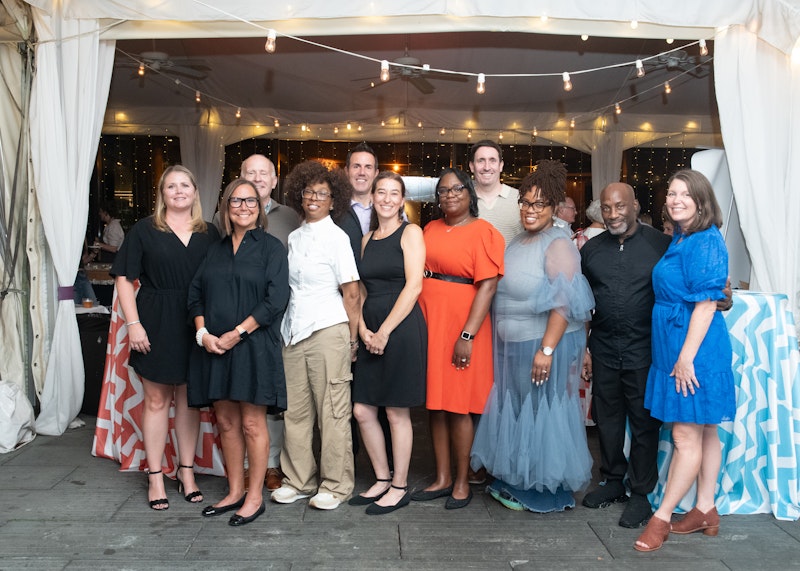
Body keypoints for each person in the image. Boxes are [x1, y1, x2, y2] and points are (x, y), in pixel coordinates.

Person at [471, 160, 595, 512]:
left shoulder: (558, 244)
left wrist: (546, 349)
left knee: (543, 414)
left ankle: (544, 488)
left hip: (542, 346)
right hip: (514, 346)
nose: (529, 210)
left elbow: (564, 305)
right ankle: (521, 478)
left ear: (555, 207)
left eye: (539, 204)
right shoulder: (520, 240)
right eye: (525, 202)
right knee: (522, 411)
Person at [634, 169, 735, 552]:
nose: (675, 199)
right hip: (673, 344)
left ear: (701, 201)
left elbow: (708, 303)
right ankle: (705, 508)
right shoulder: (681, 238)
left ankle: (660, 519)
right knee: (706, 429)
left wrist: (686, 358)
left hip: (694, 350)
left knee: (684, 435)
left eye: (684, 194)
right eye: (671, 194)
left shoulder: (706, 241)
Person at [112, 165, 219, 510]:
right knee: (157, 401)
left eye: (184, 185)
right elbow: (124, 280)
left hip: (196, 322)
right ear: (162, 194)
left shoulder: (209, 232)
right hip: (155, 319)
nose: (178, 191)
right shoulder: (145, 229)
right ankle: (156, 475)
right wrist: (133, 324)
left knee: (189, 401)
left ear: (194, 192)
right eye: (170, 186)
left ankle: (186, 472)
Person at [188, 178, 289, 527]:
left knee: (251, 422)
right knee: (227, 422)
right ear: (225, 207)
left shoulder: (272, 248)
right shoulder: (213, 250)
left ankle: (255, 496)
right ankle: (233, 492)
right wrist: (203, 334)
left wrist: (237, 332)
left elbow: (276, 300)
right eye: (236, 201)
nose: (244, 207)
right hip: (215, 348)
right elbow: (195, 294)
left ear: (259, 208)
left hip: (254, 347)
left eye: (250, 201)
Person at [579, 182, 670, 528]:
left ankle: (642, 494)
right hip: (603, 349)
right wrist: (586, 350)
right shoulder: (591, 250)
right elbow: (582, 306)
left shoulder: (661, 245)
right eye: (606, 208)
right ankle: (613, 481)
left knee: (645, 423)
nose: (613, 214)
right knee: (608, 418)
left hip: (646, 351)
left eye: (619, 206)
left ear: (634, 206)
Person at [413, 168, 504, 509]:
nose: (449, 195)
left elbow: (489, 286)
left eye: (456, 189)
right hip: (430, 324)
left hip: (464, 326)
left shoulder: (484, 232)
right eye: (443, 190)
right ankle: (441, 477)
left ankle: (463, 482)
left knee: (459, 405)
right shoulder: (430, 229)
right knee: (435, 404)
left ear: (470, 193)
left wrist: (467, 333)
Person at [272, 161, 360, 511]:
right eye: (308, 191)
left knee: (333, 412)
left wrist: (352, 340)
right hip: (293, 333)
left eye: (322, 193)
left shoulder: (337, 238)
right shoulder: (294, 237)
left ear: (334, 200)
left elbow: (351, 292)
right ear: (299, 194)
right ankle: (298, 480)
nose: (314, 198)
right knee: (295, 412)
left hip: (328, 330)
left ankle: (336, 486)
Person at [213, 154, 300, 492]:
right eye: (251, 172)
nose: (258, 178)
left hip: (274, 321)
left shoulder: (291, 217)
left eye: (265, 173)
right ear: (240, 177)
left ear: (275, 181)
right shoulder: (222, 219)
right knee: (238, 399)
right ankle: (247, 470)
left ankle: (273, 465)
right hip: (231, 324)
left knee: (268, 397)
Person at [349, 172, 426, 515]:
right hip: (371, 328)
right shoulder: (366, 240)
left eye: (394, 193)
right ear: (373, 195)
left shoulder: (411, 232)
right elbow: (362, 291)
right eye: (382, 192)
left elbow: (413, 287)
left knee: (396, 411)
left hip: (402, 328)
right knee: (363, 409)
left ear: (402, 199)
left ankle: (399, 485)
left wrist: (384, 332)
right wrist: (363, 329)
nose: (387, 198)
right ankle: (381, 478)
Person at [468, 140, 523, 246]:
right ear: (472, 166)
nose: (487, 167)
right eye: (481, 161)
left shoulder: (519, 198)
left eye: (492, 160)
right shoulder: (463, 200)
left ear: (501, 165)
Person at [338, 142, 381, 258]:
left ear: (376, 173)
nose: (362, 172)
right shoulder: (334, 209)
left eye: (368, 167)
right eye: (356, 166)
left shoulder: (390, 210)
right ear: (346, 171)